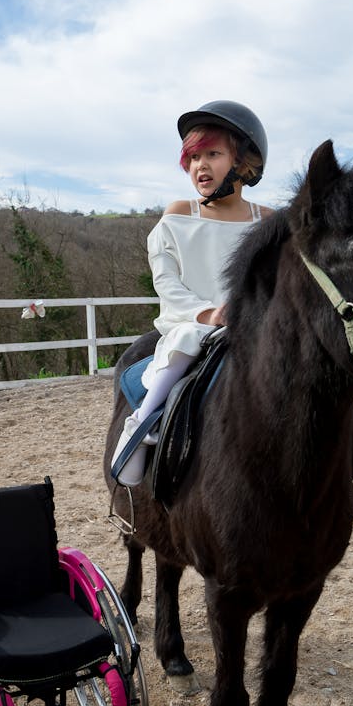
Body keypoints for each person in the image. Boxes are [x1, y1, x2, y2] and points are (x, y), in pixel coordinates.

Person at [112, 100, 273, 485]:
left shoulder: (268, 222)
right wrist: (208, 314)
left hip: (254, 325)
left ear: (244, 161)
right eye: (193, 157)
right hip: (194, 323)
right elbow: (167, 282)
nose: (201, 165)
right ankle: (142, 425)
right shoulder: (180, 215)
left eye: (213, 154)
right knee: (187, 338)